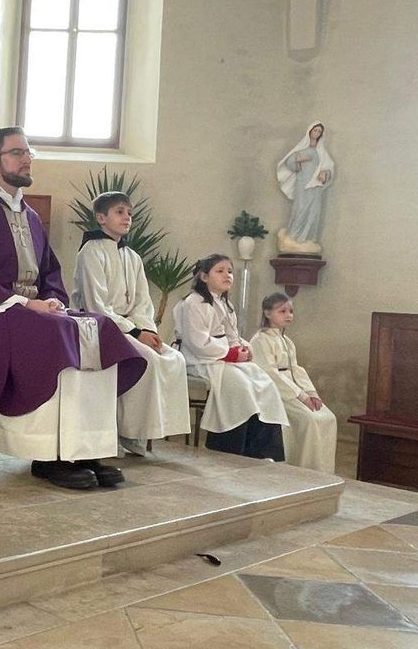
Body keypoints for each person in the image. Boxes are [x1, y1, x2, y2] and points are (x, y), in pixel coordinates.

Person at [0, 127, 147, 490]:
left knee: (99, 327)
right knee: (52, 333)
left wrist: (53, 299)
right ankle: (48, 454)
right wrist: (26, 303)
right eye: (17, 153)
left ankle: (85, 447)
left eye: (29, 152)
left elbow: (49, 272)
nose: (27, 159)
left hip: (34, 312)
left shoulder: (29, 216)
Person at [73, 192, 191, 453]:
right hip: (99, 327)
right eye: (119, 212)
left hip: (131, 327)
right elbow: (95, 305)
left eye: (129, 213)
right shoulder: (91, 251)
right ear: (101, 218)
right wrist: (136, 333)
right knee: (144, 359)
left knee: (173, 359)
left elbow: (142, 302)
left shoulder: (133, 256)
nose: (127, 217)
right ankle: (123, 431)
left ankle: (141, 430)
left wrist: (147, 329)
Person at [174, 255, 286, 460]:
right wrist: (230, 354)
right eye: (220, 271)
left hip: (220, 359)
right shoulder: (193, 303)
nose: (227, 275)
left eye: (230, 271)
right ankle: (229, 449)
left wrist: (244, 348)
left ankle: (262, 451)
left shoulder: (226, 305)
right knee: (240, 386)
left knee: (263, 382)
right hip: (198, 360)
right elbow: (197, 342)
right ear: (204, 277)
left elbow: (232, 336)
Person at [249, 294, 336, 472]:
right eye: (282, 311)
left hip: (294, 389)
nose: (288, 315)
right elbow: (271, 373)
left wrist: (311, 393)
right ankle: (303, 468)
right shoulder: (260, 340)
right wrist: (301, 396)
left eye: (290, 311)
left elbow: (296, 370)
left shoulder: (287, 341)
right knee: (309, 420)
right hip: (277, 392)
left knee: (328, 418)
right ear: (267, 313)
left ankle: (323, 471)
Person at [275, 121, 335, 255]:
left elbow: (329, 168)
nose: (316, 133)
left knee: (314, 212)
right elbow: (289, 162)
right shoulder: (301, 149)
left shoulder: (322, 153)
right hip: (302, 185)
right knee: (300, 209)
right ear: (310, 131)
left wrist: (325, 174)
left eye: (319, 132)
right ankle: (293, 237)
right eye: (315, 130)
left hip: (315, 187)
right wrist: (298, 160)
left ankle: (308, 239)